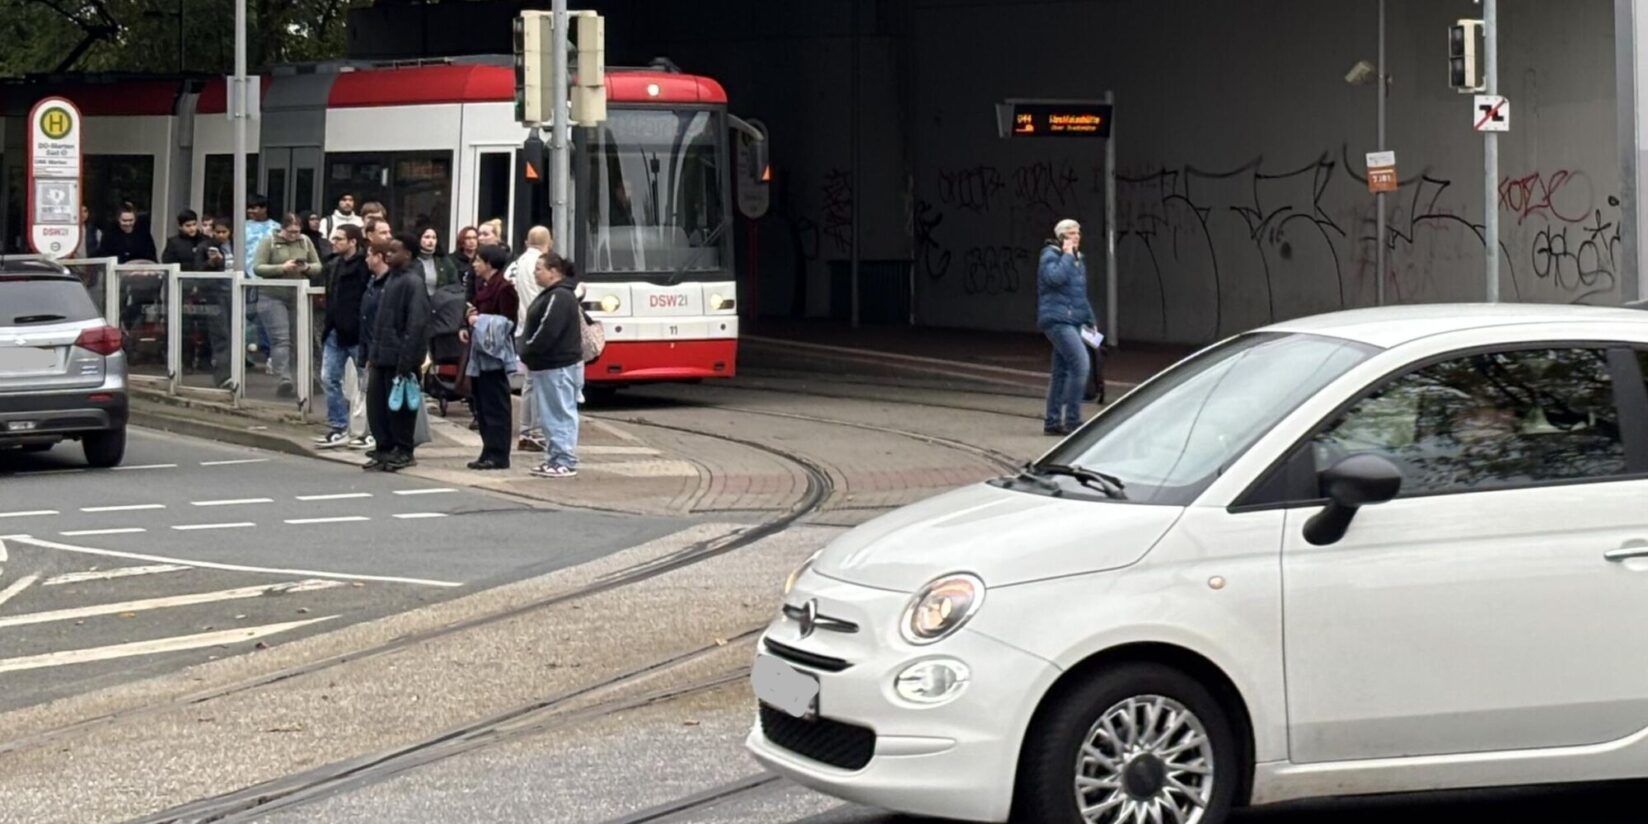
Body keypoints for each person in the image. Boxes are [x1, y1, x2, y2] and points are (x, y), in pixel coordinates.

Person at [363, 236, 430, 472]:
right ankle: (384, 448)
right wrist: (372, 355)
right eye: (388, 251)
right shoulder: (390, 279)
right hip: (381, 355)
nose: (388, 254)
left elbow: (416, 324)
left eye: (394, 251)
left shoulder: (413, 283)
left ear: (408, 254)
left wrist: (407, 361)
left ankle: (403, 450)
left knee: (400, 409)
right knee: (377, 407)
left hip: (399, 357)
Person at [519, 252, 583, 478]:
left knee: (559, 413)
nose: (535, 273)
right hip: (551, 364)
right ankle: (556, 458)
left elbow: (548, 330)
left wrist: (527, 350)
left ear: (553, 272)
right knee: (551, 414)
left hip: (557, 364)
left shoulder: (559, 296)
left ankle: (564, 460)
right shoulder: (556, 294)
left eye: (539, 268)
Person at [1037, 218, 1098, 436]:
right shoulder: (1050, 256)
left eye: (1078, 233)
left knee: (1060, 372)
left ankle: (1052, 422)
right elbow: (1054, 278)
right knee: (1081, 364)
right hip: (1057, 320)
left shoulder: (1078, 259)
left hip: (1074, 320)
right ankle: (1073, 419)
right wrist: (1067, 255)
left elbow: (1079, 294)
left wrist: (1090, 320)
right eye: (1071, 233)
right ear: (1061, 237)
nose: (1076, 237)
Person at [251, 213, 322, 397]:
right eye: (290, 232)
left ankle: (304, 378)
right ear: (282, 229)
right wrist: (281, 268)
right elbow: (258, 267)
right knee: (281, 339)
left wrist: (306, 268)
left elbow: (318, 266)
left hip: (297, 295)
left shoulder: (305, 241)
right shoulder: (269, 241)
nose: (294, 235)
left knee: (300, 338)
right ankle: (284, 379)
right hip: (272, 295)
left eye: (297, 231)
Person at [464, 245, 521, 470]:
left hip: (494, 355)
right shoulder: (484, 286)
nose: (475, 265)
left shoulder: (505, 289)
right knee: (482, 405)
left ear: (489, 263)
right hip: (480, 353)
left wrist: (478, 321)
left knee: (495, 405)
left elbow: (507, 323)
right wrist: (468, 317)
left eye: (479, 260)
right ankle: (487, 449)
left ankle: (498, 454)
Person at [315, 224, 371, 449]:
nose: (334, 242)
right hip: (335, 330)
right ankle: (338, 426)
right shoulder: (333, 265)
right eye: (334, 238)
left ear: (353, 242)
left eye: (339, 239)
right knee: (329, 378)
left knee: (366, 383)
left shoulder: (364, 266)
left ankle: (369, 430)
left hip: (357, 333)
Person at [510, 226, 554, 451]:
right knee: (540, 383)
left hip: (520, 329)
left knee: (529, 383)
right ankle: (535, 432)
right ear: (550, 242)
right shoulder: (542, 264)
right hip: (538, 328)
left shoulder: (516, 264)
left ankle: (527, 431)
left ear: (528, 241)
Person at [414, 225, 460, 295]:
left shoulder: (444, 261)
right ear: (419, 239)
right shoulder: (411, 260)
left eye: (434, 238)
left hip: (440, 300)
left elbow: (455, 285)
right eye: (427, 237)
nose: (431, 241)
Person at [452, 225, 480, 299]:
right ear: (462, 240)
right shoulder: (452, 260)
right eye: (468, 238)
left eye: (474, 238)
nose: (472, 241)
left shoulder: (482, 260)